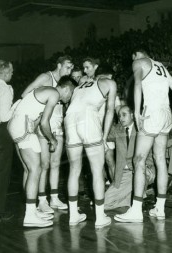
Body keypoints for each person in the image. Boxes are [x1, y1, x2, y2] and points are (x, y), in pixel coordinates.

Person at [114, 47, 172, 223]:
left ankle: (136, 210)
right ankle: (159, 208)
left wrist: (137, 112)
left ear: (137, 54)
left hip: (151, 112)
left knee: (139, 160)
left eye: (133, 56)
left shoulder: (139, 62)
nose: (132, 60)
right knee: (160, 159)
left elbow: (137, 85)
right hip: (165, 113)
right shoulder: (161, 66)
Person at [8, 76, 76, 227]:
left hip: (17, 125)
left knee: (28, 169)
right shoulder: (54, 93)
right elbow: (45, 122)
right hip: (23, 126)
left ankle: (31, 210)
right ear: (66, 88)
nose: (69, 98)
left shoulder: (44, 91)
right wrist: (53, 140)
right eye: (70, 94)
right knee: (35, 169)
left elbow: (38, 119)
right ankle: (30, 215)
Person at [65, 57, 117, 229]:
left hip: (70, 119)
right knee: (96, 170)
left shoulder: (82, 84)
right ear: (108, 74)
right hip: (88, 118)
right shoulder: (109, 82)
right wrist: (103, 136)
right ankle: (100, 217)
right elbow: (110, 111)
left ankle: (73, 215)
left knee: (74, 170)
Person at [21, 55, 74, 214]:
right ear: (59, 65)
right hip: (43, 127)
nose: (69, 71)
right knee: (44, 164)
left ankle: (54, 198)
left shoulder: (66, 84)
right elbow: (25, 94)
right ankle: (42, 201)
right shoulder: (46, 77)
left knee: (56, 163)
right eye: (67, 67)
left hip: (58, 127)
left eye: (71, 68)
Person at [104, 105, 155, 210]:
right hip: (123, 174)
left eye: (124, 115)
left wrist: (147, 166)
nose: (121, 118)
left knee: (101, 204)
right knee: (103, 204)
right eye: (119, 116)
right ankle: (134, 200)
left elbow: (150, 151)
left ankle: (137, 198)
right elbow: (104, 136)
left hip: (141, 170)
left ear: (132, 115)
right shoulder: (117, 129)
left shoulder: (141, 128)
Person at [0, 60, 14, 222]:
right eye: (11, 71)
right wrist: (16, 107)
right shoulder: (5, 89)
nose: (12, 74)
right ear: (3, 73)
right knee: (1, 172)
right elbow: (4, 116)